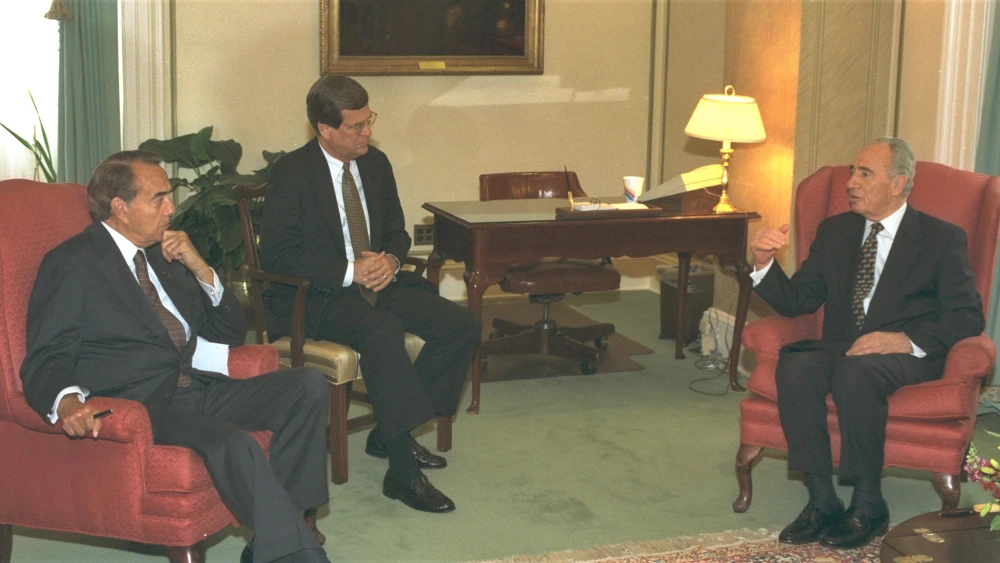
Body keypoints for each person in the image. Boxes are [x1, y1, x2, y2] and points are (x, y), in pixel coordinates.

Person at [20, 151, 331, 563]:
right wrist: (67, 401)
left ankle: (273, 540)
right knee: (233, 445)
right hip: (143, 402)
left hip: (198, 387)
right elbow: (46, 353)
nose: (171, 208)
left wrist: (200, 267)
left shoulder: (162, 256)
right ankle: (298, 554)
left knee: (306, 385)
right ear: (120, 208)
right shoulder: (73, 262)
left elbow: (227, 333)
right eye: (159, 198)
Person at [258, 75, 481, 514]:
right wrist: (349, 271)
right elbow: (279, 255)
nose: (367, 132)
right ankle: (402, 470)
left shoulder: (375, 163)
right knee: (383, 330)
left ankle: (387, 431)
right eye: (355, 126)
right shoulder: (292, 172)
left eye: (368, 121)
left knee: (462, 325)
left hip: (381, 280)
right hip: (319, 294)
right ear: (325, 129)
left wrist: (391, 261)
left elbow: (397, 230)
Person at [748, 137, 985, 549]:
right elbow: (800, 300)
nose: (851, 182)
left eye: (864, 174)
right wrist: (763, 263)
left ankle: (869, 503)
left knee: (856, 373)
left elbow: (967, 316)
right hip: (843, 346)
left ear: (898, 184)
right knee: (797, 363)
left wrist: (901, 339)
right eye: (852, 172)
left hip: (907, 353)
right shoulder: (837, 230)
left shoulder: (941, 238)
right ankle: (822, 500)